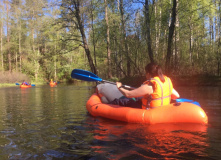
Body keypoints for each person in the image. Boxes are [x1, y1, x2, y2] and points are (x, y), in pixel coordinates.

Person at [109, 62, 180, 109]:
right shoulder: (165, 81)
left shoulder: (150, 85)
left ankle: (105, 106)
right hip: (162, 109)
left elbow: (128, 94)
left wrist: (119, 87)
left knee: (121, 101)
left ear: (148, 73)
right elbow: (177, 96)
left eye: (146, 73)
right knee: (138, 98)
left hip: (150, 110)